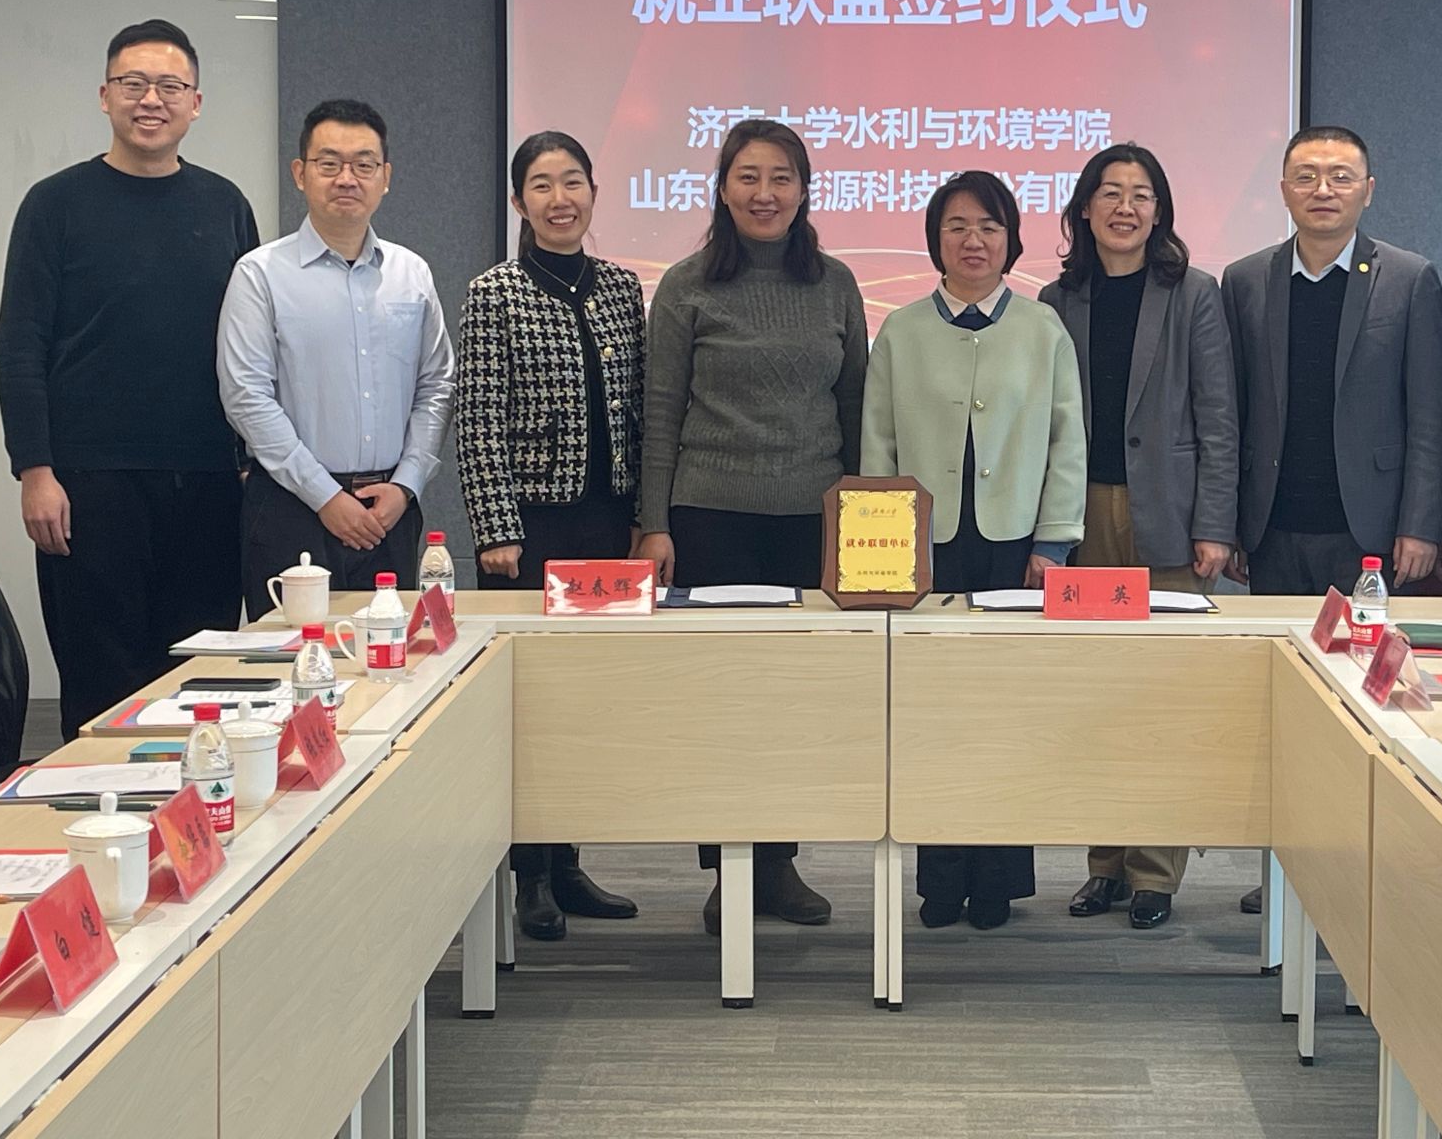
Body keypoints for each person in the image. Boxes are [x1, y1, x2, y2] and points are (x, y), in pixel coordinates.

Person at [0, 20, 260, 740]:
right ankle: (98, 812)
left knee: (199, 689)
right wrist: (34, 470)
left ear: (195, 103)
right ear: (105, 95)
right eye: (133, 83)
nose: (151, 99)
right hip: (90, 485)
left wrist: (252, 465)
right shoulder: (54, 204)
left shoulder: (226, 206)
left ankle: (196, 813)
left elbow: (253, 351)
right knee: (101, 689)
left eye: (170, 86)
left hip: (209, 483)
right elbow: (19, 347)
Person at [636, 117, 868, 936]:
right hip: (711, 518)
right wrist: (653, 524)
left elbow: (855, 407)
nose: (764, 193)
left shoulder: (835, 283)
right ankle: (730, 866)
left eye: (781, 178)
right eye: (748, 177)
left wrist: (862, 521)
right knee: (723, 702)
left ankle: (778, 862)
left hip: (811, 519)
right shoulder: (686, 286)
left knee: (796, 701)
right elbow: (660, 412)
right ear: (723, 188)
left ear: (804, 191)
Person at [864, 171, 1086, 931]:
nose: (973, 241)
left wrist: (1053, 542)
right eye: (956, 226)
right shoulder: (900, 331)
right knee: (932, 711)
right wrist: (886, 548)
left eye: (989, 227)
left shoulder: (1042, 329)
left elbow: (1067, 443)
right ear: (935, 240)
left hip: (1016, 544)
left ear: (1011, 240)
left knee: (1006, 710)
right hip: (925, 548)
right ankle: (940, 877)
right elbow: (878, 444)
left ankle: (998, 879)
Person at [1040, 144, 1236, 930]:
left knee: (1163, 701)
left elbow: (1218, 417)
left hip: (1169, 517)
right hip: (1080, 517)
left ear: (1160, 212)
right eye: (1111, 193)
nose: (1126, 207)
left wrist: (1214, 523)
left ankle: (1155, 873)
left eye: (1141, 194)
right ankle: (1105, 866)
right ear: (1084, 209)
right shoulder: (1058, 299)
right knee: (1095, 699)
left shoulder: (1194, 294)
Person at [458, 130, 642, 939]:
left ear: (594, 192)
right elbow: (477, 419)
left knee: (586, 701)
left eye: (573, 182)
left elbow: (641, 409)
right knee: (526, 703)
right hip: (530, 530)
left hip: (606, 522)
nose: (559, 199)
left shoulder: (621, 288)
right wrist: (497, 527)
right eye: (541, 185)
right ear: (518, 201)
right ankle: (528, 872)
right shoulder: (493, 292)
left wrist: (643, 519)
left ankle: (568, 861)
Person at [218, 99, 455, 594]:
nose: (347, 179)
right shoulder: (260, 274)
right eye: (329, 164)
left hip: (390, 511)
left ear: (385, 177)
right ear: (300, 173)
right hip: (291, 508)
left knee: (392, 643)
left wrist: (407, 484)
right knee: (292, 644)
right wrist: (324, 495)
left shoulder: (411, 273)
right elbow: (246, 396)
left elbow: (437, 383)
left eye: (364, 165)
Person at [1221, 126, 1442, 597]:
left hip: (1372, 530)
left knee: (1365, 646)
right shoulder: (1245, 279)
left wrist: (1421, 525)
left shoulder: (1409, 279)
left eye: (1341, 177)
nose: (1323, 190)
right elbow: (1232, 412)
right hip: (1272, 527)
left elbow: (1431, 418)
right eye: (1305, 177)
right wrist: (1230, 524)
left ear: (1368, 191)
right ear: (1284, 191)